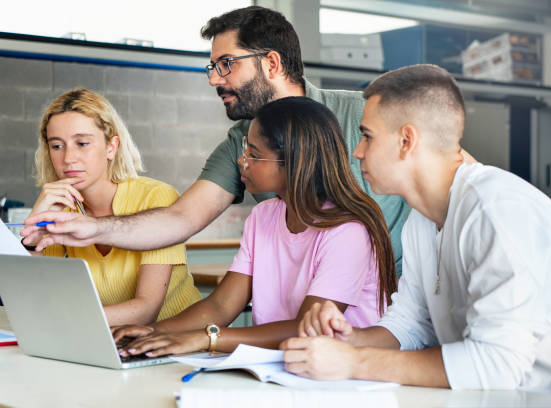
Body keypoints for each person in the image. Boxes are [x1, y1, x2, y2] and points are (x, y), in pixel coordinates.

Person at [280, 65, 551, 405]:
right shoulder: (421, 221)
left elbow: (497, 365)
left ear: (406, 141)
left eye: (367, 135)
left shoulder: (495, 209)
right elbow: (410, 326)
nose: (358, 151)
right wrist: (349, 340)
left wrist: (354, 363)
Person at [22, 6, 410, 275]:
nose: (214, 79)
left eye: (226, 65)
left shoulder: (365, 114)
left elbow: (449, 168)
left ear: (271, 63)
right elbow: (181, 218)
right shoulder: (240, 143)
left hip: (399, 305)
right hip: (311, 312)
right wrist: (93, 228)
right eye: (212, 67)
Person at [110, 97, 397, 357]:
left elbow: (307, 328)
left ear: (294, 162)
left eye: (254, 154)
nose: (241, 161)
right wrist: (155, 332)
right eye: (246, 149)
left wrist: (206, 339)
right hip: (281, 366)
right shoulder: (264, 216)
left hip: (344, 375)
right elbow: (220, 306)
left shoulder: (348, 231)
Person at [28, 88, 201, 327]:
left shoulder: (156, 197)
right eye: (57, 146)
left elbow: (146, 310)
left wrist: (66, 318)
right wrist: (33, 235)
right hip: (107, 340)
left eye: (82, 143)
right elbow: (37, 299)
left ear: (111, 147)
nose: (68, 158)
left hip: (176, 342)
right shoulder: (61, 208)